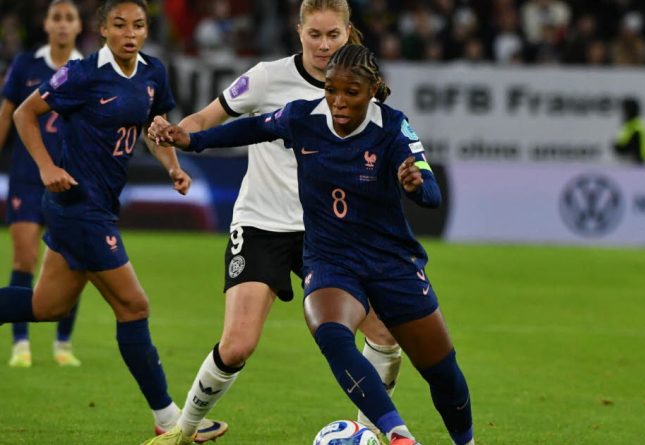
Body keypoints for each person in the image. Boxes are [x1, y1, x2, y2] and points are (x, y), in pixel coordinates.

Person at [152, 43, 475, 445]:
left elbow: (430, 191)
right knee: (332, 333)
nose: (338, 102)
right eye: (331, 90)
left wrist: (415, 185)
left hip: (390, 260)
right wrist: (192, 141)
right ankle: (398, 435)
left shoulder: (392, 127)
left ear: (373, 89)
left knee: (442, 372)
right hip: (330, 258)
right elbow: (253, 127)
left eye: (350, 93)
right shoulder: (303, 117)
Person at [140, 1, 405, 443]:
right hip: (262, 223)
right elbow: (205, 120)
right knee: (238, 344)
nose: (323, 45)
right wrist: (174, 136)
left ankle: (365, 431)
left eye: (333, 35)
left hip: (327, 232)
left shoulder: (360, 86)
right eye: (315, 35)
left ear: (348, 33)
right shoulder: (265, 78)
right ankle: (182, 431)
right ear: (298, 31)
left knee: (384, 333)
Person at [0, 1, 226, 441]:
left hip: (100, 207)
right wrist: (46, 168)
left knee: (47, 306)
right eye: (120, 25)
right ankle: (169, 421)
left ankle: (167, 422)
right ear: (102, 29)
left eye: (139, 25)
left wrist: (173, 167)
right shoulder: (83, 73)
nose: (130, 33)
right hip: (77, 206)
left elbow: (152, 127)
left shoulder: (152, 73)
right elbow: (23, 113)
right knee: (134, 306)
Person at [0, 0, 83, 368]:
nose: (63, 25)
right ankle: (21, 344)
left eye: (69, 18)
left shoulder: (89, 69)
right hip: (26, 177)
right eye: (57, 18)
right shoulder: (26, 66)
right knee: (25, 257)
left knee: (74, 260)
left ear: (79, 26)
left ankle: (63, 344)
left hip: (70, 180)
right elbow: (7, 116)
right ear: (47, 25)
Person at [613, 97, 645, 165]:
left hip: (637, 163)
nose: (623, 112)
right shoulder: (638, 123)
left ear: (630, 111)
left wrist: (617, 147)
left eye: (625, 110)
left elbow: (624, 146)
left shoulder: (634, 126)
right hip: (638, 162)